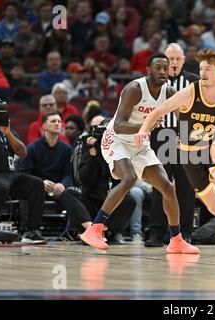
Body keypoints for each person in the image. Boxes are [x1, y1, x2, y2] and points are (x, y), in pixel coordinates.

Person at [136, 49, 215, 258]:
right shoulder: (190, 92)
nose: (203, 73)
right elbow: (158, 111)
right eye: (201, 69)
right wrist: (143, 131)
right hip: (189, 156)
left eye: (208, 69)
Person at [80, 52, 199, 254]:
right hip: (116, 140)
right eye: (158, 68)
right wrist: (145, 126)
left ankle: (176, 239)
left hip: (139, 144)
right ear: (148, 70)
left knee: (168, 188)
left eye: (166, 68)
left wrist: (188, 137)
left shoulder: (169, 92)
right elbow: (117, 126)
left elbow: (183, 119)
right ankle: (94, 229)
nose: (163, 71)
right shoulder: (135, 89)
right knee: (129, 178)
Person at [145, 43, 199, 247]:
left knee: (187, 187)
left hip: (189, 135)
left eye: (178, 59)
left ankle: (184, 234)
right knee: (160, 185)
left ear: (183, 60)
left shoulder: (194, 81)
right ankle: (156, 233)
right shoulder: (153, 82)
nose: (174, 63)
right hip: (161, 135)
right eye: (170, 59)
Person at [0, 95, 46, 243]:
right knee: (1, 187)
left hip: (10, 175)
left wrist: (8, 133)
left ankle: (32, 231)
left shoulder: (8, 131)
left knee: (37, 185)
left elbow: (23, 152)